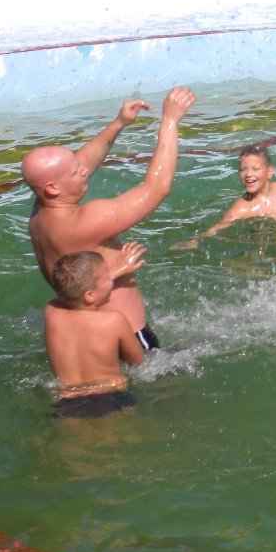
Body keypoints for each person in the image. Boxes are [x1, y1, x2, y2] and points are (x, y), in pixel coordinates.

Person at [21, 86, 195, 350]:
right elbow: (157, 188)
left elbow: (81, 162)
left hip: (84, 337)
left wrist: (119, 123)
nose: (84, 171)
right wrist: (170, 120)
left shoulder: (39, 216)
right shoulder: (85, 221)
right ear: (53, 188)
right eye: (75, 172)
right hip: (128, 337)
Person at [44, 249, 146, 418]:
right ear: (89, 295)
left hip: (68, 400)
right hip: (111, 397)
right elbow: (137, 361)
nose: (112, 279)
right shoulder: (114, 320)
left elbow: (67, 295)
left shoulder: (51, 312)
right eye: (107, 278)